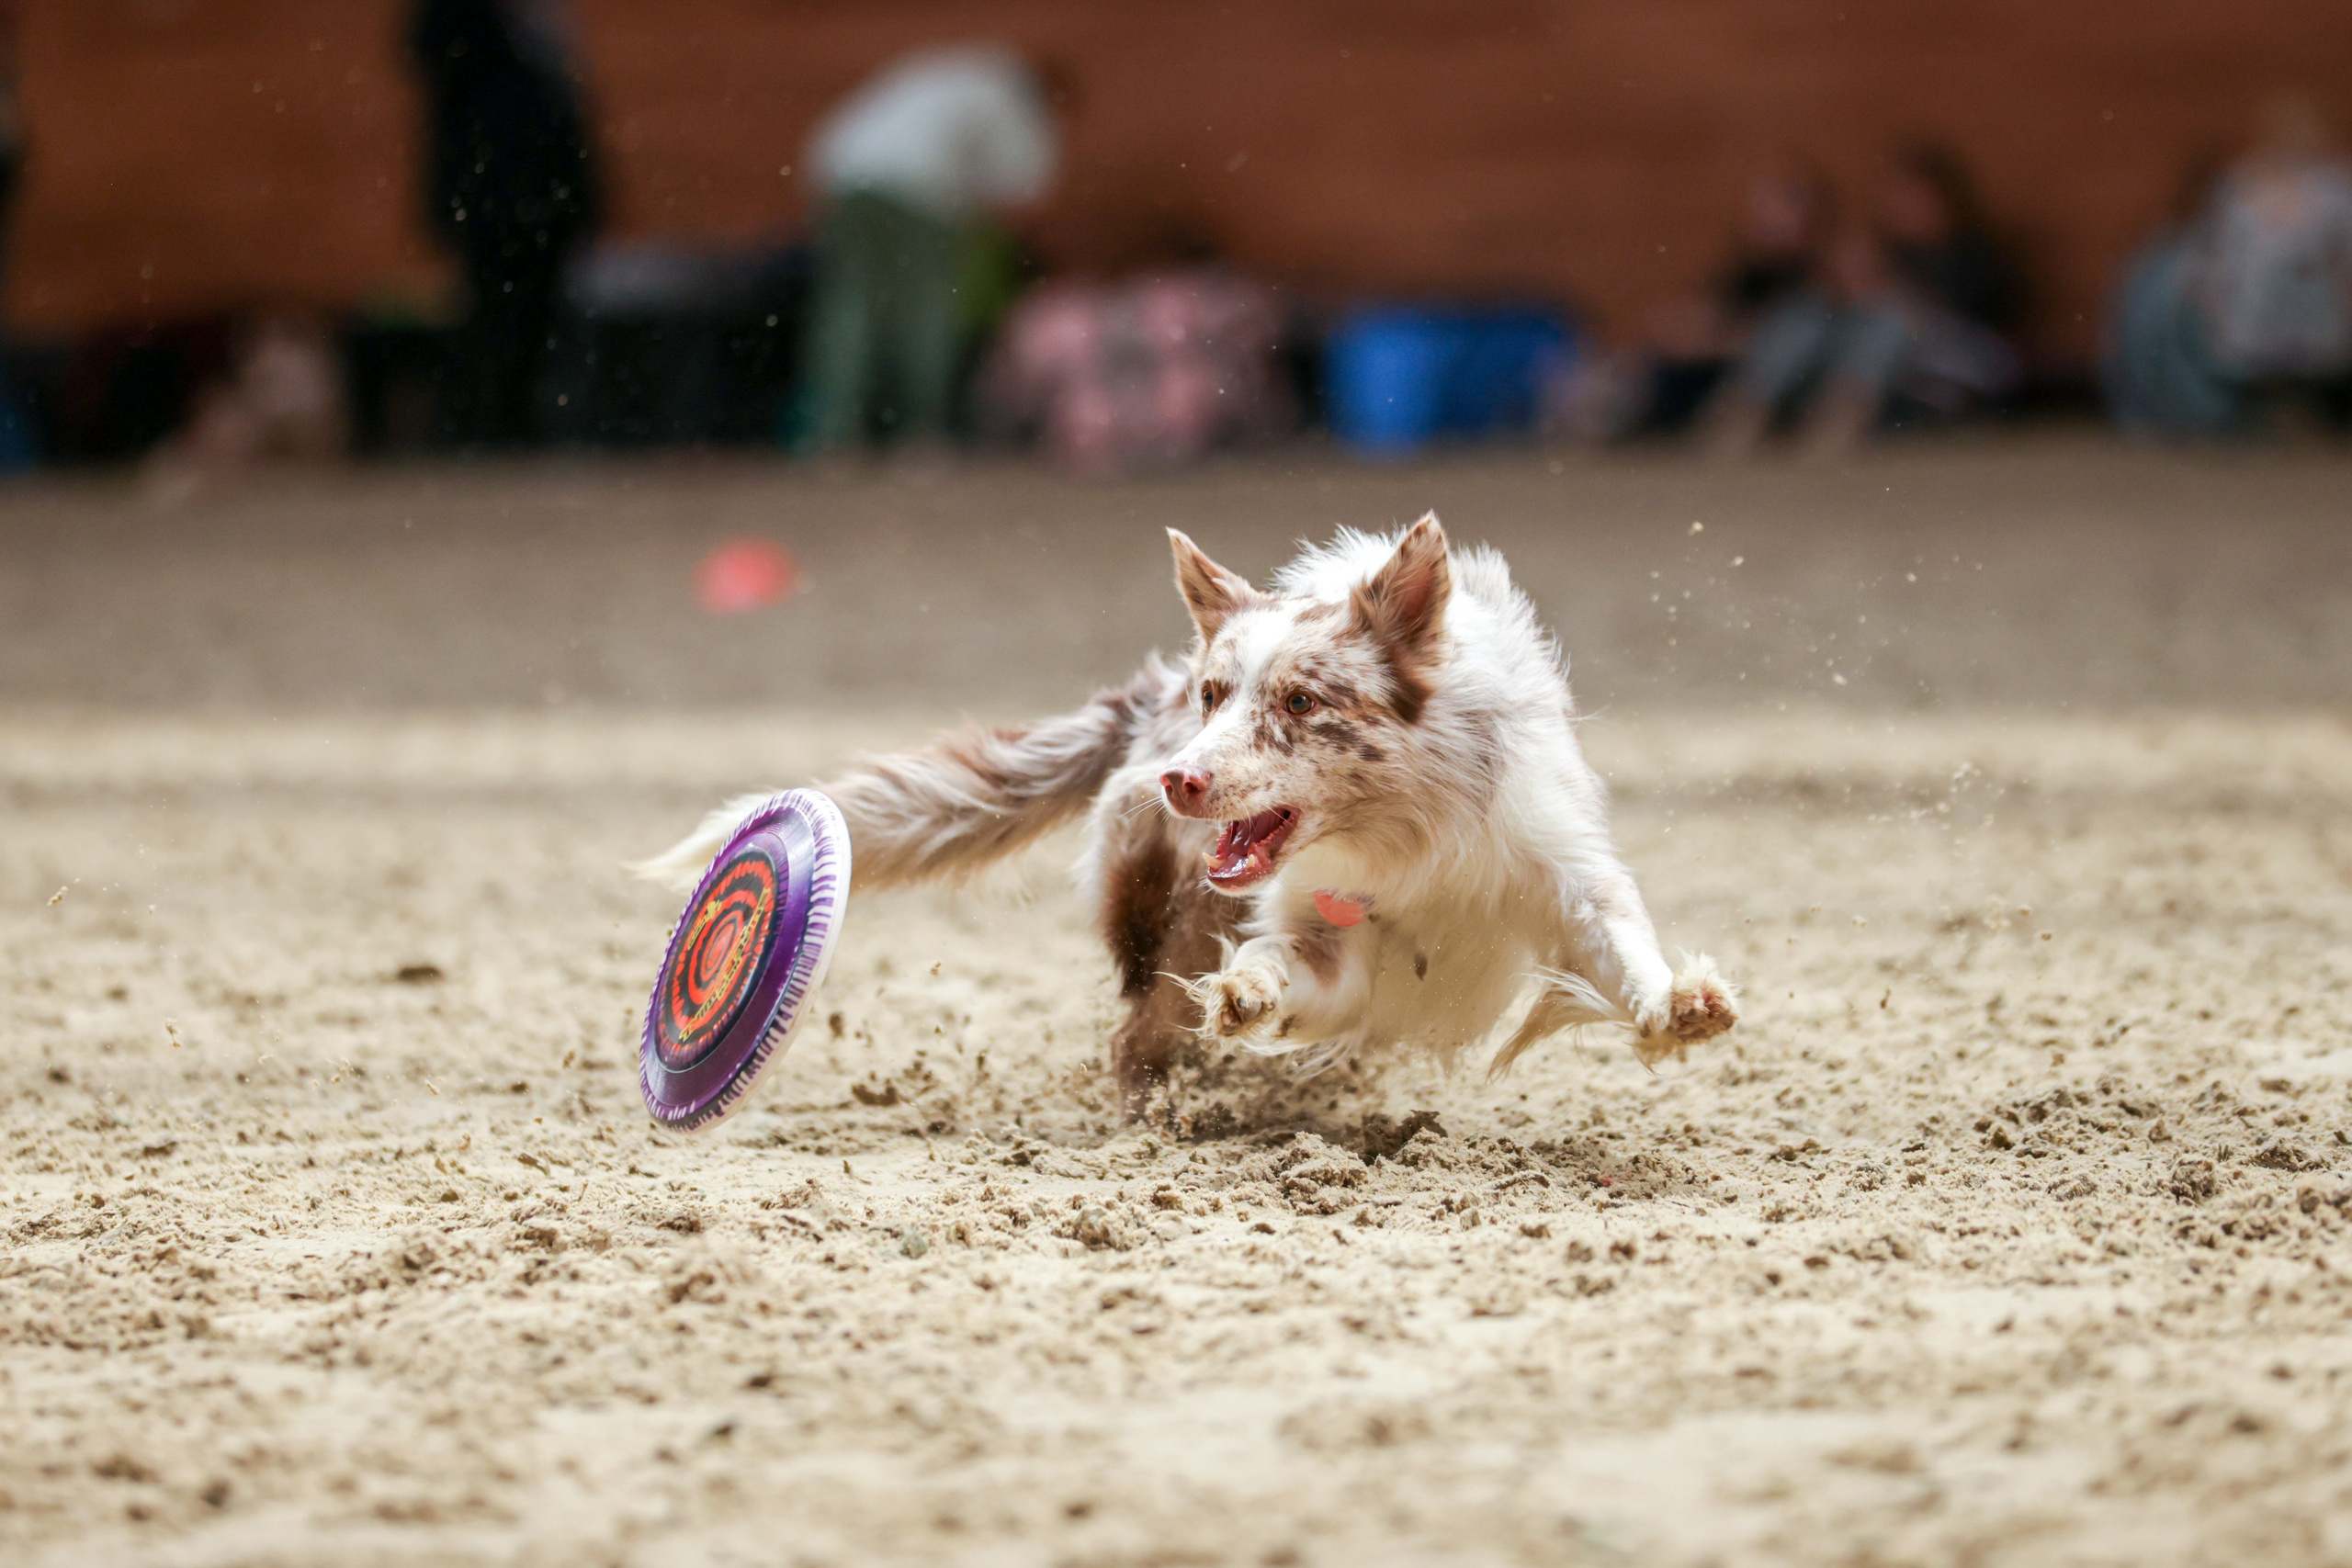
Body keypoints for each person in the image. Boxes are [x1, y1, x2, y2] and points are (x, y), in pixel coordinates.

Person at [793, 45, 1064, 455]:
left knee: (851, 306)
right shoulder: (1007, 95)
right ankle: (918, 433)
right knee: (926, 312)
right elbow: (1029, 188)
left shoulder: (946, 72)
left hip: (844, 177)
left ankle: (833, 432)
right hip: (918, 193)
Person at [1703, 142, 2023, 459]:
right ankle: (1748, 408)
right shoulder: (1890, 250)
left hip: (1950, 366)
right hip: (1891, 367)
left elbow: (1952, 324)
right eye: (1901, 197)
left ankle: (1844, 414)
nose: (1907, 207)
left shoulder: (1973, 255)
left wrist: (1882, 288)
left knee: (1889, 321)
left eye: (1918, 197)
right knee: (1808, 314)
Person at [411, 0, 601, 449]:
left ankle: (521, 426)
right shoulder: (471, 28)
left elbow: (564, 111)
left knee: (537, 320)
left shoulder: (535, 29)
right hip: (494, 197)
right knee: (493, 318)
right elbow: (440, 60)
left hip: (541, 198)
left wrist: (579, 200)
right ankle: (485, 427)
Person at [1556, 156, 1834, 441]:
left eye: (1776, 211)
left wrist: (1714, 341)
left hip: (1768, 380)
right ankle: (1595, 415)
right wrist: (1680, 328)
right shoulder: (1749, 271)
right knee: (1658, 334)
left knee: (1797, 329)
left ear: (1809, 219)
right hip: (1717, 373)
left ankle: (1746, 415)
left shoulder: (1815, 276)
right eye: (1760, 210)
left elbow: (1794, 336)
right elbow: (1711, 312)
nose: (1763, 220)